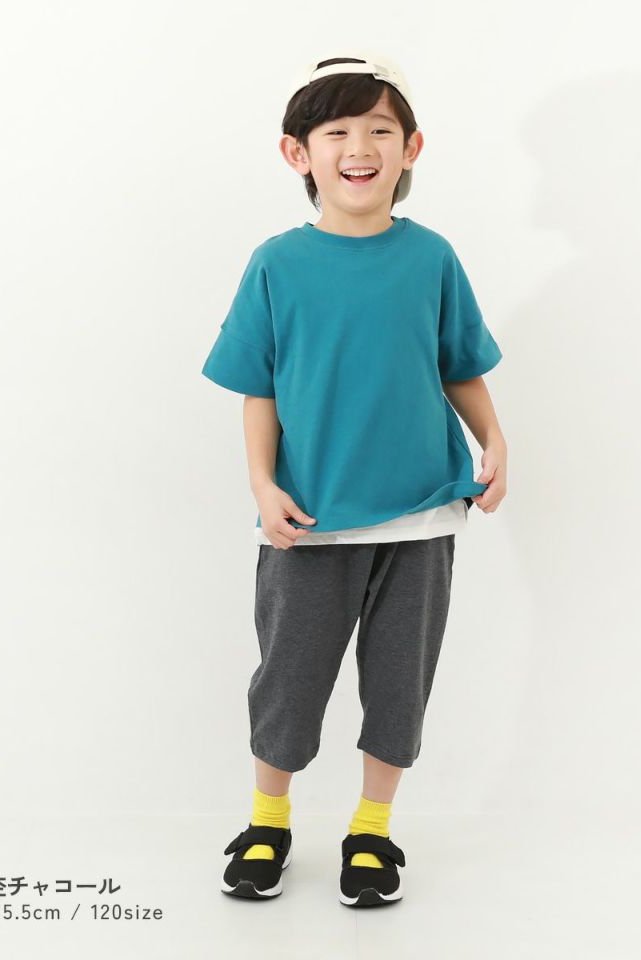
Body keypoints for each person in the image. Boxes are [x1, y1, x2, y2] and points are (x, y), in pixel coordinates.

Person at [202, 51, 508, 907]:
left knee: (399, 686)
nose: (360, 148)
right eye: (337, 131)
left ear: (412, 147)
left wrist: (493, 439)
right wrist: (262, 485)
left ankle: (371, 831)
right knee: (288, 680)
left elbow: (458, 365)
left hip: (422, 514)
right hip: (310, 517)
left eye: (379, 129)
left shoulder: (431, 257)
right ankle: (268, 821)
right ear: (298, 153)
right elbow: (259, 387)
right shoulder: (277, 263)